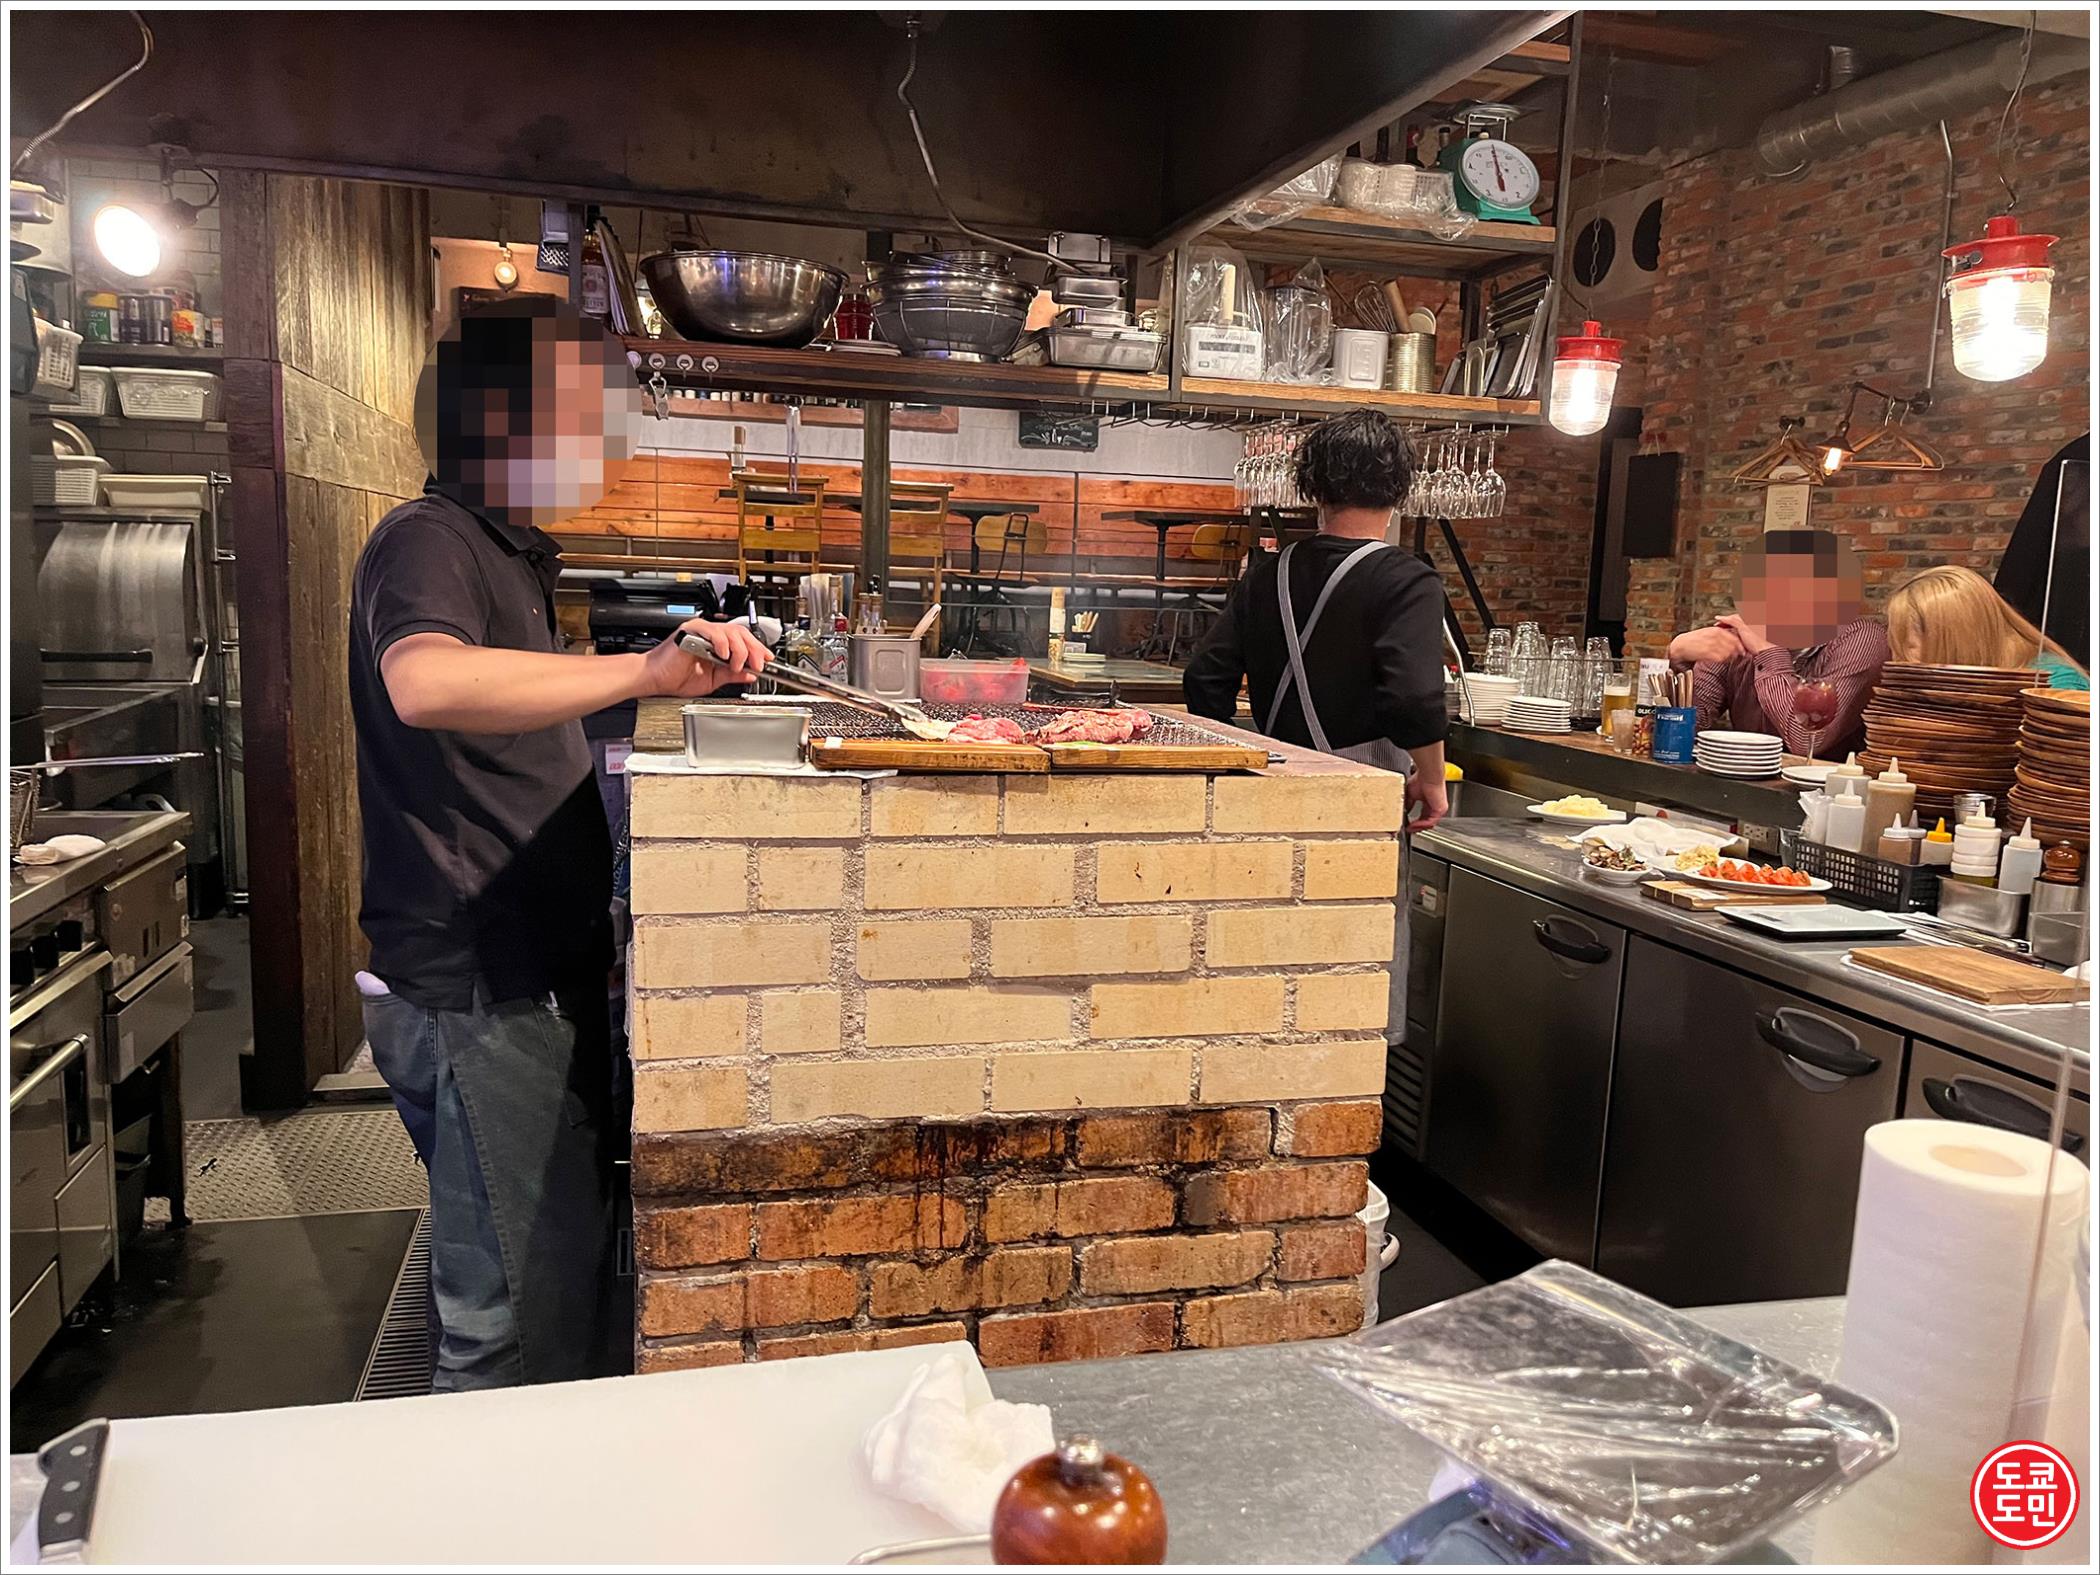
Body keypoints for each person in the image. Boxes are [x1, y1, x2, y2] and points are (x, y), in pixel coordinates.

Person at [349, 299, 767, 1391]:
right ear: (504, 419)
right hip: (480, 982)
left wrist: (659, 682)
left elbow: (513, 717)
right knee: (506, 1326)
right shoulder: (429, 537)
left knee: (549, 1287)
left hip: (527, 971)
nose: (605, 444)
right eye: (587, 418)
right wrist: (644, 670)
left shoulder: (509, 553)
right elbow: (425, 683)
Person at [1183, 408, 1448, 828]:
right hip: (1361, 805)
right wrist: (1432, 778)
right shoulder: (1408, 580)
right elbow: (1413, 700)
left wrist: (1239, 763)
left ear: (1312, 486)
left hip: (1270, 794)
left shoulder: (1268, 574)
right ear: (1400, 489)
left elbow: (1204, 678)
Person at [1667, 528, 1888, 758]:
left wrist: (1768, 652)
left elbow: (1806, 740)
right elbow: (1684, 730)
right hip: (1743, 776)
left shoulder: (1862, 640)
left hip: (1828, 780)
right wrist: (1680, 659)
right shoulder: (1737, 637)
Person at [1887, 563, 2089, 690]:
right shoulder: (1963, 679)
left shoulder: (2056, 685)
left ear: (1955, 638)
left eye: (1908, 647)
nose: (1901, 660)